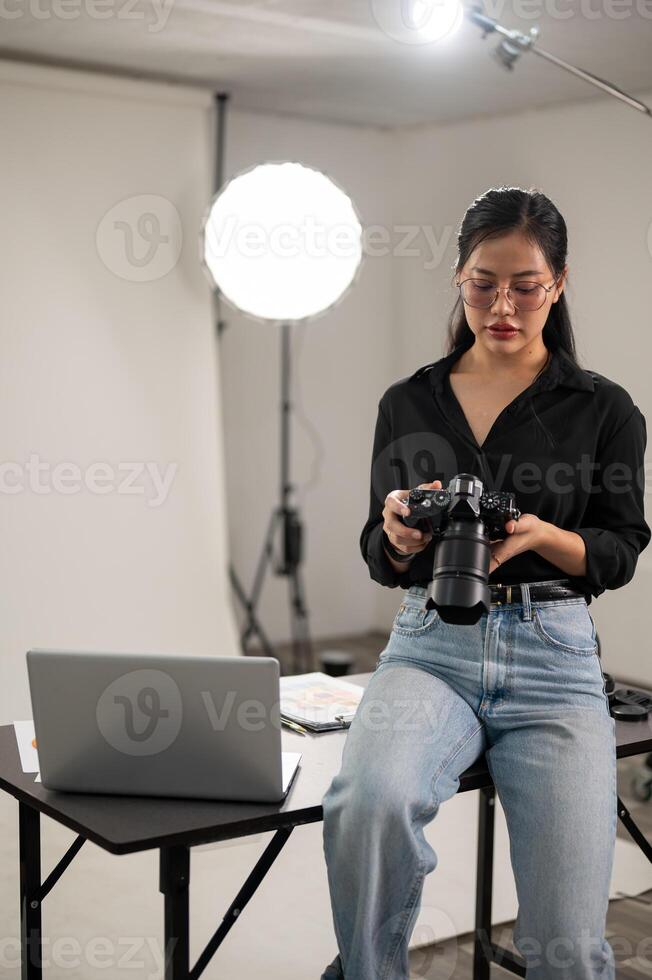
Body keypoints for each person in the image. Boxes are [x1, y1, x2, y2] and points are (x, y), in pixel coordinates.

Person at [319, 186, 651, 980]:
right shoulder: (408, 402)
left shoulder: (604, 410)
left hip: (554, 657)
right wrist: (396, 533)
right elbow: (377, 546)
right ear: (459, 277)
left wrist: (544, 536)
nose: (502, 304)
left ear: (559, 284)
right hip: (430, 647)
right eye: (482, 282)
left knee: (569, 946)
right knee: (369, 804)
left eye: (525, 285)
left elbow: (621, 546)